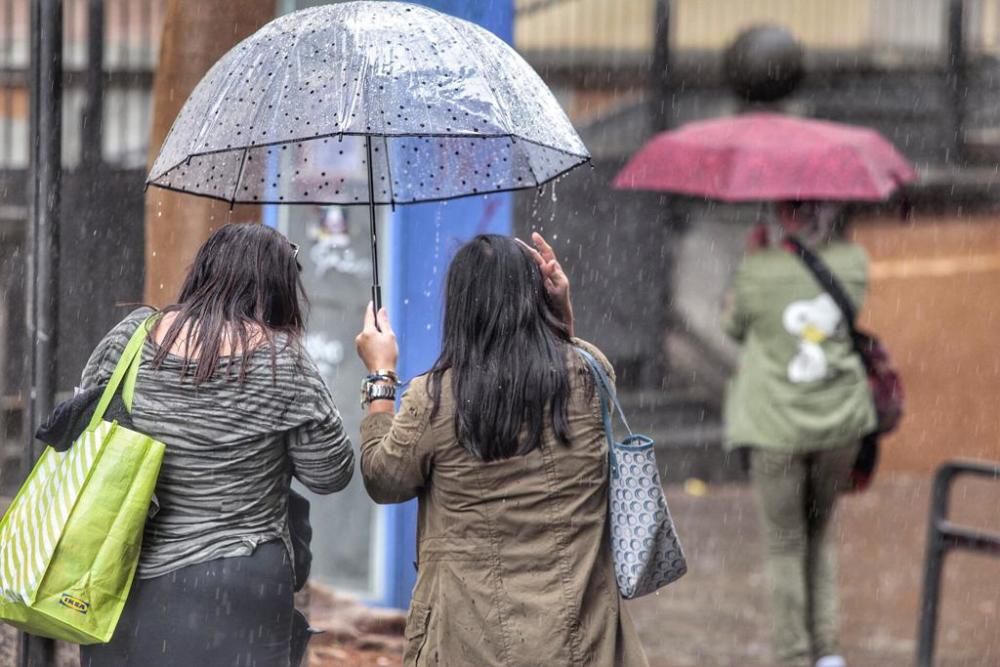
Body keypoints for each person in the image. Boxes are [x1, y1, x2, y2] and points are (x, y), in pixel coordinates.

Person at [354, 233, 649, 666]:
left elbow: (383, 478)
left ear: (460, 310)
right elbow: (571, 362)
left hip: (471, 643)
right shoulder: (591, 376)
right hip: (584, 642)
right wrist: (561, 316)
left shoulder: (435, 398)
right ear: (537, 300)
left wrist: (380, 375)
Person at [80, 223, 354, 667]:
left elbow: (83, 427)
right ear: (279, 289)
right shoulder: (283, 361)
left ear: (202, 272)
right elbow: (330, 473)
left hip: (122, 569)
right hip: (239, 579)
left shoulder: (129, 338)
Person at [723, 201, 876, 667]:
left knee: (784, 543)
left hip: (775, 426)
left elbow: (733, 326)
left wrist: (757, 258)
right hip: (839, 422)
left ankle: (793, 656)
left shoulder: (757, 267)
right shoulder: (853, 261)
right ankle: (828, 653)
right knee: (820, 534)